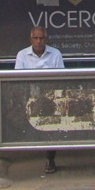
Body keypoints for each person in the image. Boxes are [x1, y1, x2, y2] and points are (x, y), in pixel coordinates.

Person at [15, 26, 64, 173]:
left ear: (46, 39)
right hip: (29, 97)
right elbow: (17, 81)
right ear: (31, 39)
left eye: (41, 38)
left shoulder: (55, 54)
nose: (38, 41)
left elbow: (61, 79)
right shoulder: (22, 55)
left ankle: (50, 158)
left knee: (52, 123)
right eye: (35, 38)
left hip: (49, 97)